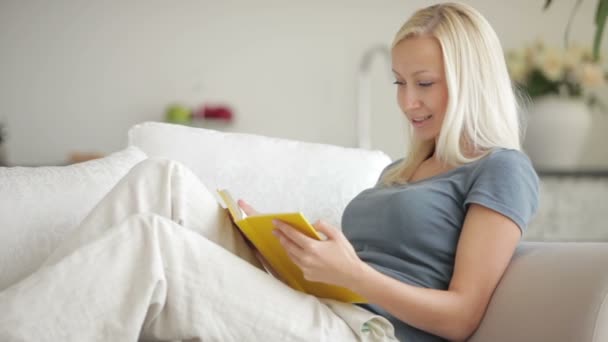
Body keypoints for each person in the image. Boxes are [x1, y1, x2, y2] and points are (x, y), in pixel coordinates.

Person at [0, 2, 538, 342]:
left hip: (363, 331)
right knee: (159, 179)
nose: (408, 101)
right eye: (399, 82)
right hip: (319, 303)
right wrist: (272, 245)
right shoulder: (402, 170)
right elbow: (338, 271)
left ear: (470, 81)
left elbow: (464, 316)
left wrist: (355, 276)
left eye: (425, 82)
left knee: (154, 244)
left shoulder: (501, 169)